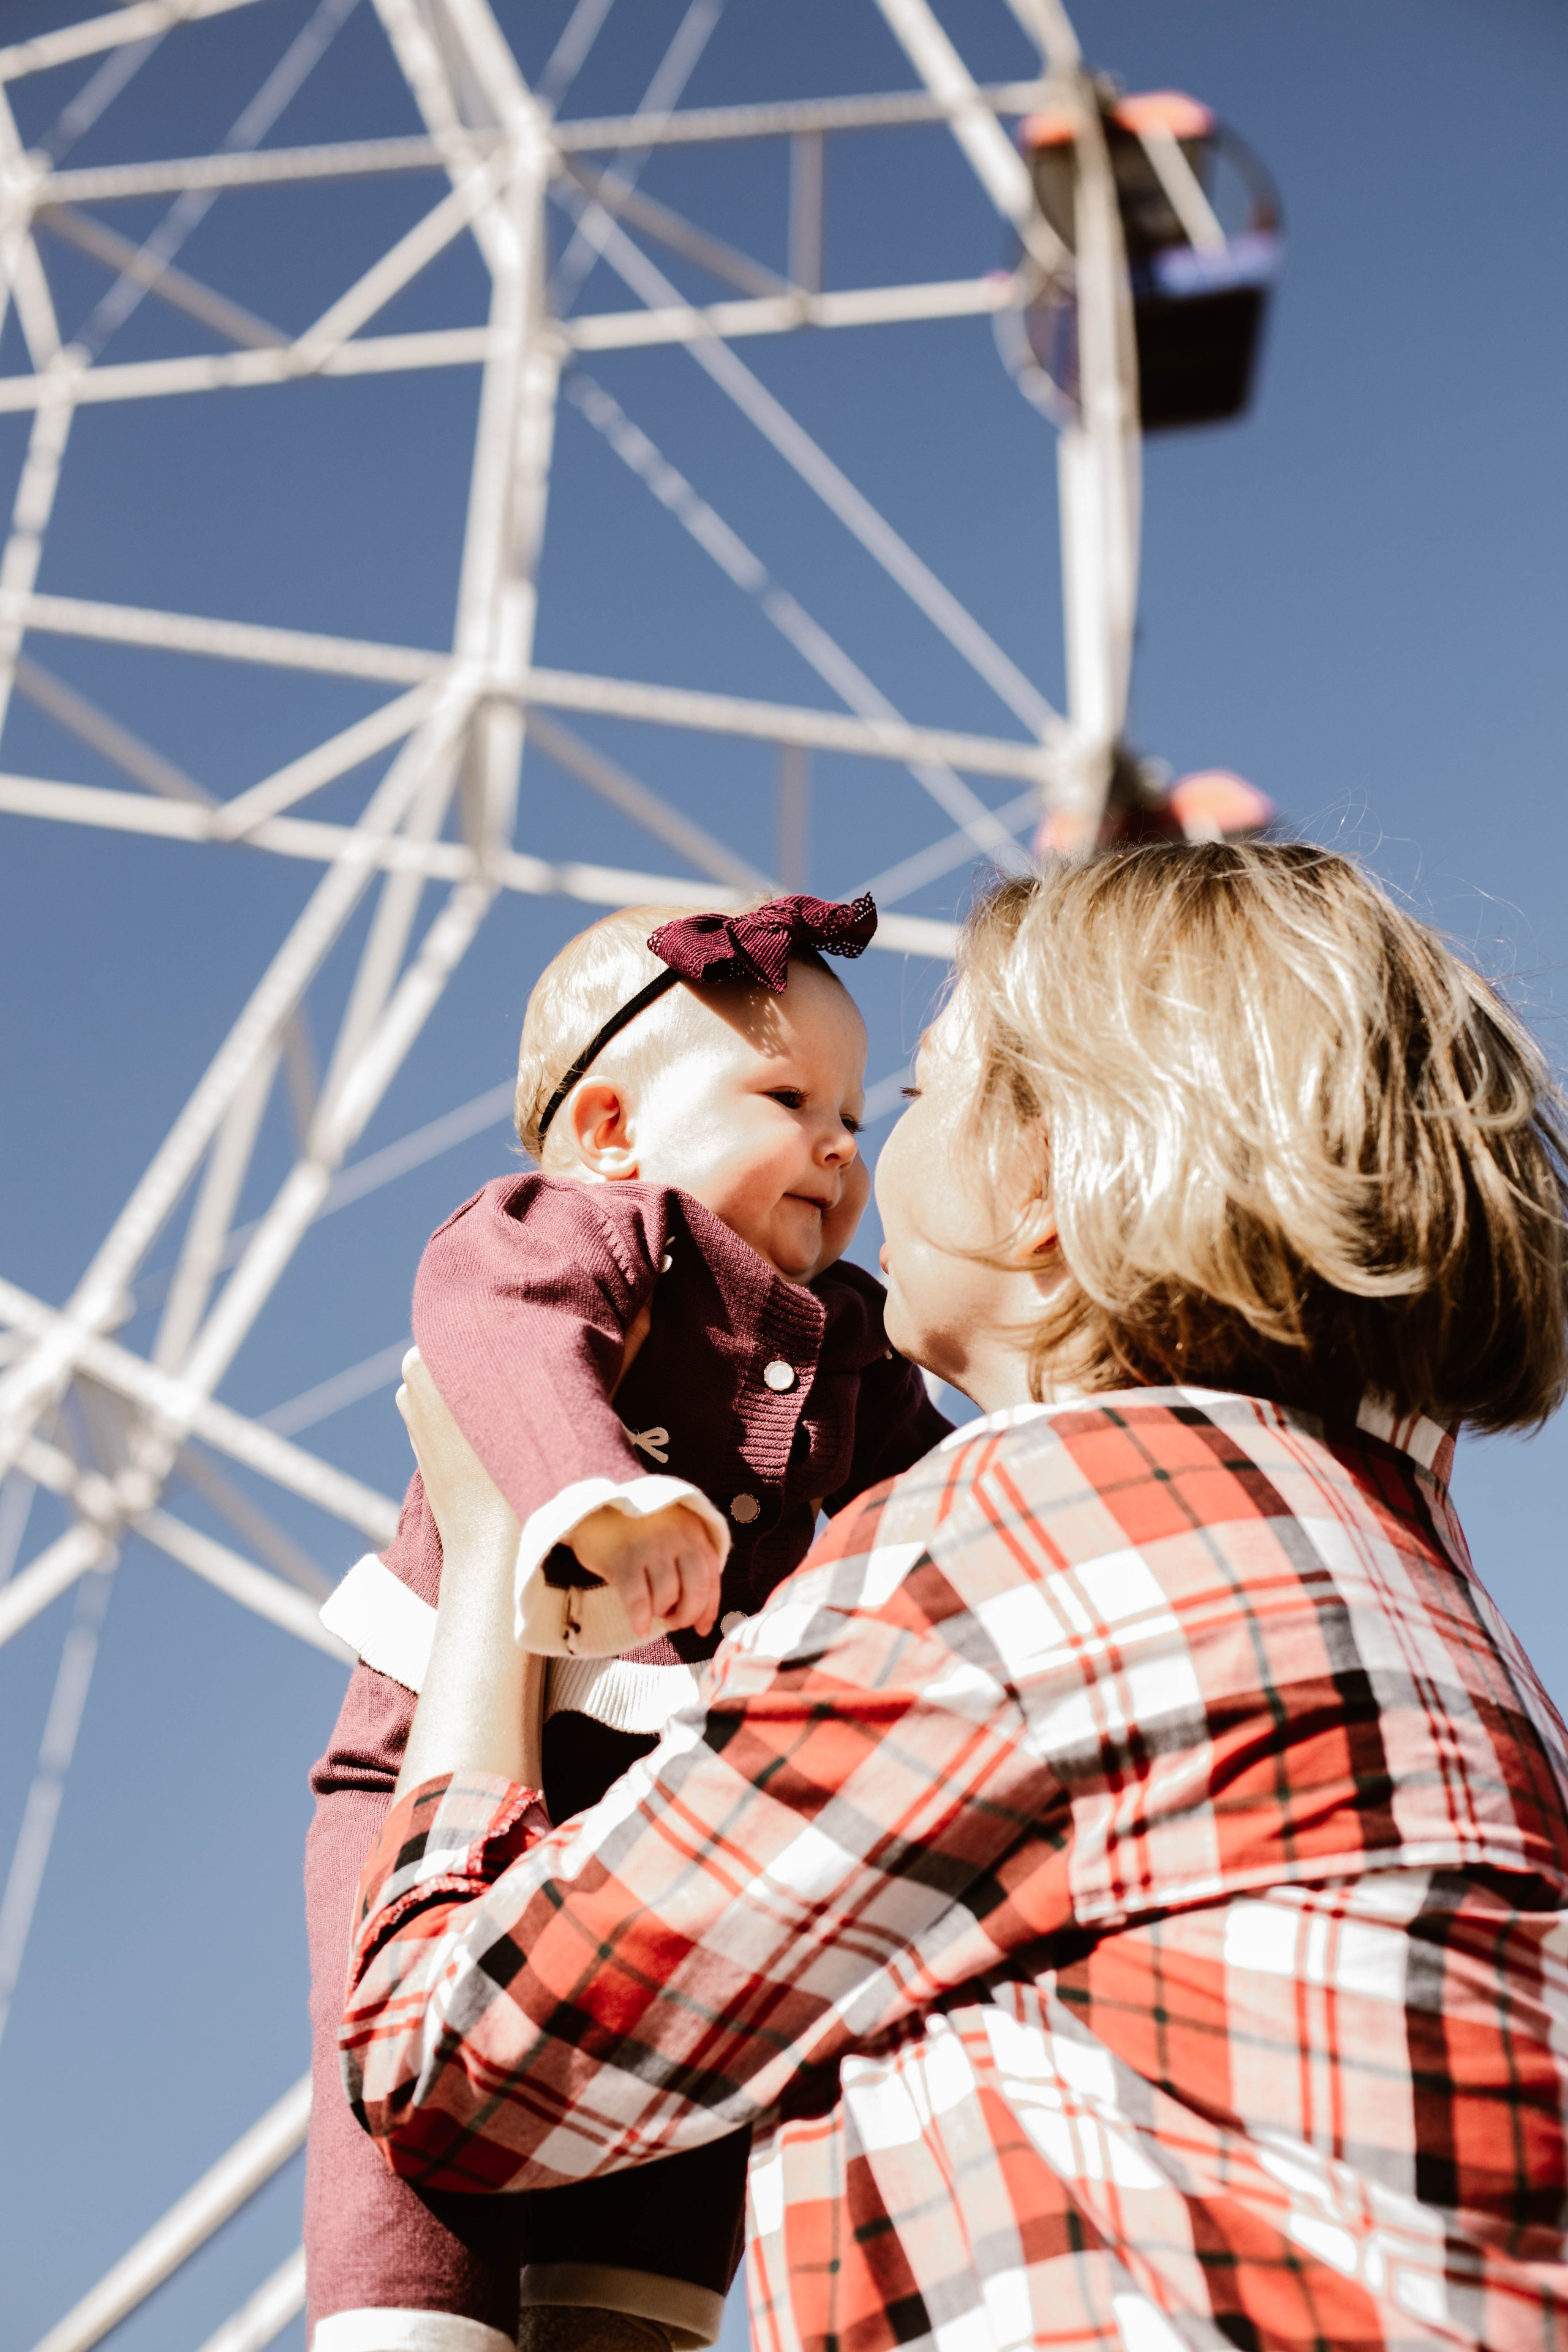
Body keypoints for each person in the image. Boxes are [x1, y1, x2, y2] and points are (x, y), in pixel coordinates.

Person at [341, 842, 1568, 2352]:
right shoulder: (1413, 1575)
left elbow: (450, 2060)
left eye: (910, 1098)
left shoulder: (1027, 1538)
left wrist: (487, 1550)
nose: (853, 1162)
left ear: (1040, 1179)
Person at [305, 893, 948, 2352]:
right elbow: (505, 1338)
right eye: (787, 1099)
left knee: (679, 2133)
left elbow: (935, 1496)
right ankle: (412, 2317)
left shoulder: (850, 1339)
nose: (840, 1147)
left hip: (673, 1804)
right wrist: (592, 1496)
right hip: (436, 1765)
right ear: (607, 1127)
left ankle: (628, 2313)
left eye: (853, 1114)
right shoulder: (577, 1236)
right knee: (411, 2139)